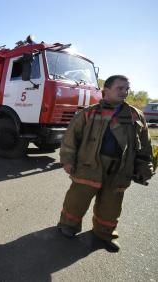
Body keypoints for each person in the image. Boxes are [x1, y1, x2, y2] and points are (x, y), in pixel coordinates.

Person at [57, 75, 153, 252]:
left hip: (120, 170)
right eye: (120, 88)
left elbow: (145, 145)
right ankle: (68, 225)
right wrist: (67, 160)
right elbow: (70, 138)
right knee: (76, 200)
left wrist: (145, 166)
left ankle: (105, 233)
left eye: (127, 89)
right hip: (88, 166)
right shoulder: (88, 113)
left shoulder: (135, 115)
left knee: (111, 206)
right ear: (106, 91)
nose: (124, 92)